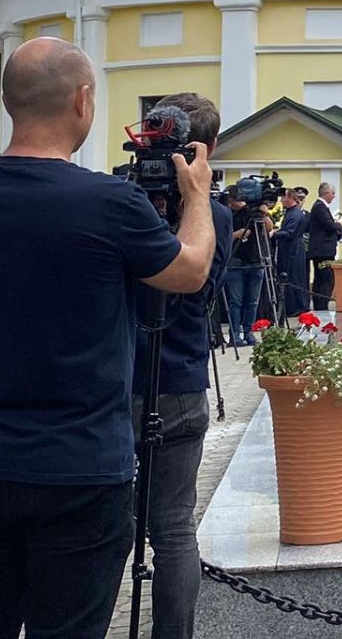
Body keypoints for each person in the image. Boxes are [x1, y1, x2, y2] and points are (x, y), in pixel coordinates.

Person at [0, 38, 213, 639]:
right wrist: (196, 196)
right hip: (80, 465)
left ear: (10, 102)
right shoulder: (109, 203)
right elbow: (189, 271)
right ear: (83, 100)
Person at [128, 90, 231, 639]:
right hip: (176, 382)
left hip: (130, 380)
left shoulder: (123, 203)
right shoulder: (215, 215)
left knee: (132, 523)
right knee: (172, 527)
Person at [223, 191, 267, 345]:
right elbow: (220, 237)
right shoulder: (227, 214)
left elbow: (268, 229)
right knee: (235, 302)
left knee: (252, 301)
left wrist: (265, 214)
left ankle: (249, 332)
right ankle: (235, 334)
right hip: (236, 262)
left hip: (256, 260)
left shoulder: (254, 213)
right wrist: (236, 234)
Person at [305, 182, 341, 310]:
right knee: (326, 279)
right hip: (322, 251)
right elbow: (329, 225)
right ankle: (321, 305)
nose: (334, 196)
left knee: (323, 278)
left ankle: (321, 304)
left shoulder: (321, 206)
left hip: (323, 250)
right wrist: (341, 224)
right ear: (326, 193)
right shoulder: (320, 206)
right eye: (332, 193)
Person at [274, 187, 309, 315]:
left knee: (293, 277)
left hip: (292, 250)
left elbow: (290, 232)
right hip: (292, 249)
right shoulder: (293, 212)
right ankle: (293, 306)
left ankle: (296, 307)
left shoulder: (294, 214)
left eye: (283, 198)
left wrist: (274, 234)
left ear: (290, 198)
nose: (281, 200)